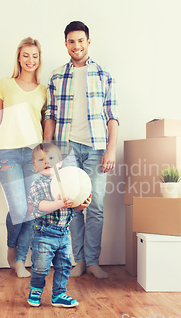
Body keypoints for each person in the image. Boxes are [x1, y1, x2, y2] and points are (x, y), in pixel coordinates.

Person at [44, 21, 119, 279]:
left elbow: (112, 115)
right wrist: (48, 148)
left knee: (95, 205)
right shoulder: (56, 76)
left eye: (81, 40)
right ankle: (80, 261)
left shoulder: (103, 74)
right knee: (73, 203)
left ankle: (94, 261)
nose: (76, 46)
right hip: (67, 147)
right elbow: (50, 114)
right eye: (71, 41)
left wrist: (111, 149)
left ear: (88, 42)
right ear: (66, 44)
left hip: (97, 147)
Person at [0, 37, 46, 278]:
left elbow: (46, 125)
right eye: (26, 55)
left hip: (34, 155)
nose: (30, 60)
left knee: (31, 208)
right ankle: (11, 246)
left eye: (35, 55)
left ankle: (19, 261)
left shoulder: (44, 91)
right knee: (18, 207)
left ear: (39, 59)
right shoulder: (5, 84)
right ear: (18, 57)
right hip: (8, 153)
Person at [27, 143, 91, 307]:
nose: (46, 162)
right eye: (41, 160)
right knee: (41, 266)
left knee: (64, 266)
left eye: (51, 158)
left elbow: (73, 205)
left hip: (63, 233)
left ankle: (59, 294)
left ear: (60, 163)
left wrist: (81, 204)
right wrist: (57, 204)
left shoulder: (67, 181)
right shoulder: (38, 184)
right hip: (43, 233)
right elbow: (40, 205)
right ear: (35, 167)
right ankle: (36, 289)